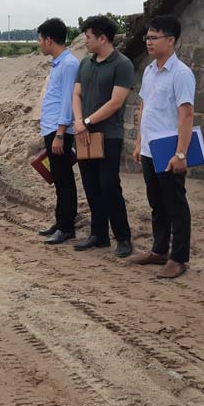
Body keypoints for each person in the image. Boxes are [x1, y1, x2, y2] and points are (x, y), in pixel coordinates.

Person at [130, 15, 195, 278]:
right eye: (147, 37)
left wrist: (181, 153)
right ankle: (159, 250)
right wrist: (138, 142)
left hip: (169, 148)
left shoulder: (181, 74)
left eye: (154, 38)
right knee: (156, 203)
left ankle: (178, 258)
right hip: (149, 147)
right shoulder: (149, 70)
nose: (149, 42)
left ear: (171, 40)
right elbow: (144, 106)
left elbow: (186, 115)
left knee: (175, 205)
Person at [72, 14, 135, 258]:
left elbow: (116, 102)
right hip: (84, 134)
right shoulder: (85, 63)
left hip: (108, 134)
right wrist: (79, 121)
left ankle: (123, 237)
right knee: (90, 185)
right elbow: (76, 94)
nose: (85, 41)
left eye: (88, 37)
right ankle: (98, 234)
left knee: (109, 185)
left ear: (103, 38)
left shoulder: (122, 64)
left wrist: (87, 122)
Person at [35, 18, 81, 245]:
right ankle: (60, 221)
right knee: (59, 178)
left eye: (40, 39)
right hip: (52, 128)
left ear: (49, 40)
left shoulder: (69, 64)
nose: (39, 44)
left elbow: (68, 100)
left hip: (59, 130)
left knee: (64, 180)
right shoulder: (58, 63)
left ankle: (66, 227)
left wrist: (61, 133)